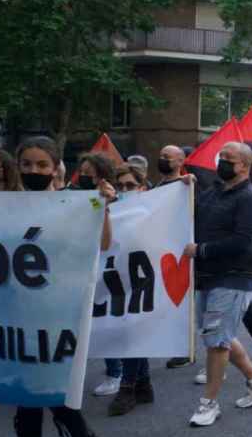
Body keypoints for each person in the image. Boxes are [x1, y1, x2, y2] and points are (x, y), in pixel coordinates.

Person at [0, 135, 113, 437]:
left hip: (56, 310)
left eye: (42, 165)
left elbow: (103, 244)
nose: (34, 171)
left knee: (43, 381)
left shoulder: (72, 204)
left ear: (56, 167)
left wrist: (103, 208)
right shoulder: (5, 206)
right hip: (14, 310)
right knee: (24, 383)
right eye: (27, 164)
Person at [183, 141, 252, 427]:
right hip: (209, 275)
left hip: (235, 275)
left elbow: (243, 241)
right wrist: (185, 187)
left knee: (217, 341)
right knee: (217, 333)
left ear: (245, 167)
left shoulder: (250, 198)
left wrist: (202, 250)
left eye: (229, 159)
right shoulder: (213, 192)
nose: (222, 162)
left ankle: (208, 404)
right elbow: (193, 211)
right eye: (220, 156)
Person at [107, 164, 157, 417]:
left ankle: (127, 387)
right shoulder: (113, 211)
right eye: (120, 185)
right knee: (129, 329)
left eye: (130, 185)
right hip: (120, 278)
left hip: (144, 279)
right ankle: (143, 383)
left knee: (132, 331)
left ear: (142, 187)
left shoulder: (152, 210)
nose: (124, 190)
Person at [76, 152, 126, 398]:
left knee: (105, 322)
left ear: (102, 177)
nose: (83, 177)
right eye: (81, 172)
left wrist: (107, 204)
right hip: (79, 270)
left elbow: (106, 242)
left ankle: (114, 373)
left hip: (107, 271)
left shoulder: (114, 200)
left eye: (89, 174)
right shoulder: (75, 196)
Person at [157, 145, 195, 369]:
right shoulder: (158, 186)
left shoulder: (186, 185)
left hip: (182, 250)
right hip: (163, 248)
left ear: (180, 162)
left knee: (184, 298)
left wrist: (190, 182)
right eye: (161, 156)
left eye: (167, 157)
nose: (162, 160)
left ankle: (184, 348)